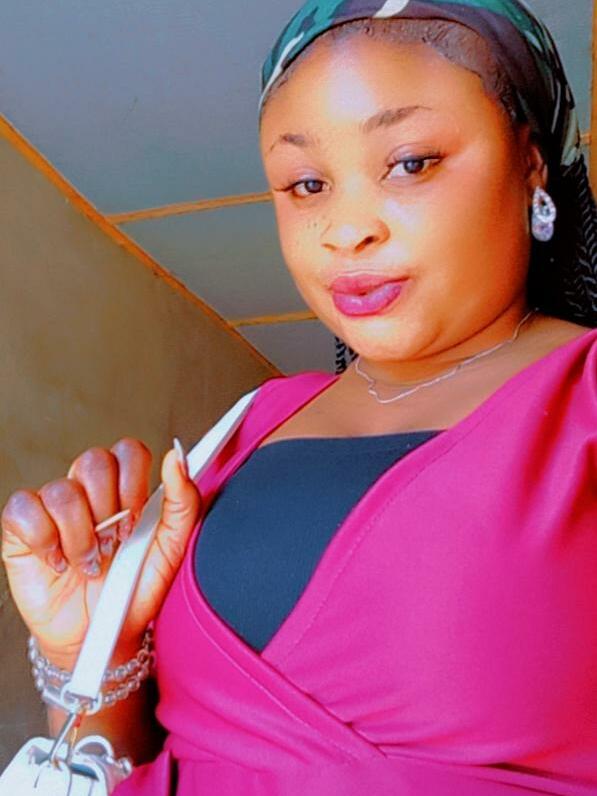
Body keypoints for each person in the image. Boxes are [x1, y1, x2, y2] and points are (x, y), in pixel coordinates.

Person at [2, 0, 596, 793]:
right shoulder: (250, 424)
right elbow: (149, 762)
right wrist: (88, 654)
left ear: (529, 163)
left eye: (409, 162)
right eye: (306, 184)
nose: (343, 230)